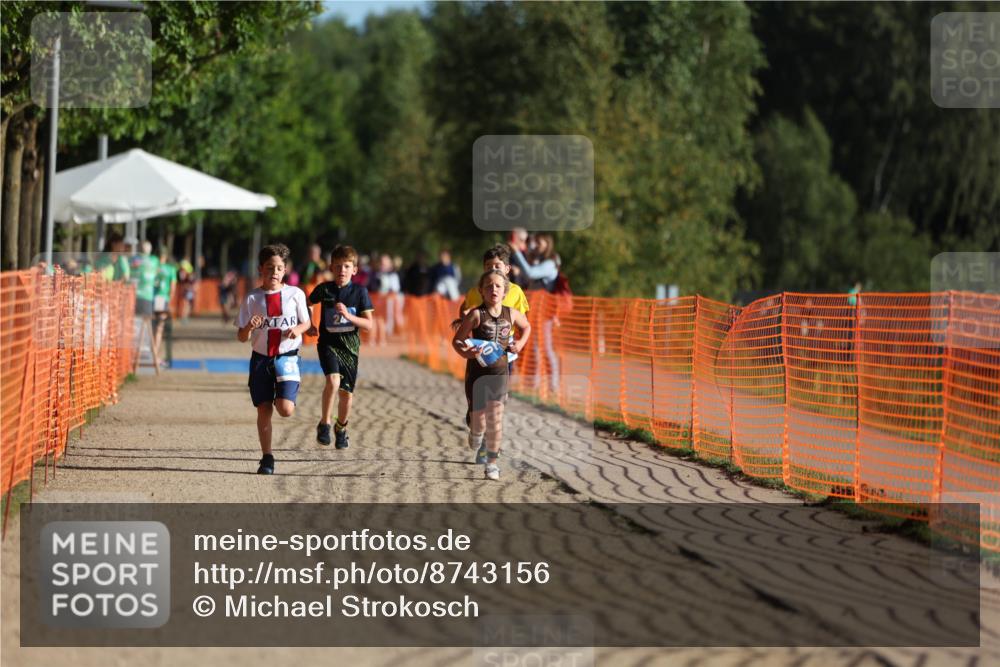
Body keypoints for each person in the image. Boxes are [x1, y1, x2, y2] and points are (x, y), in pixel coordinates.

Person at [236, 244, 312, 475]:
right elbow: (241, 336)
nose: (275, 272)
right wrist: (250, 325)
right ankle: (267, 457)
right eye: (270, 268)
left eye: (279, 268)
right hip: (261, 359)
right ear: (260, 269)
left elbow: (307, 322)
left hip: (287, 357)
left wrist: (298, 330)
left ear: (285, 269)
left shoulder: (295, 294)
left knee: (286, 409)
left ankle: (287, 392)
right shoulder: (252, 298)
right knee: (264, 409)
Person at [452, 270, 531, 481]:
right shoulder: (476, 315)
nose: (493, 289)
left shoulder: (512, 314)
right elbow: (457, 340)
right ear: (481, 291)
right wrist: (466, 352)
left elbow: (527, 327)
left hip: (500, 374)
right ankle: (475, 434)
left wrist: (520, 344)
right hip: (477, 375)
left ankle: (492, 464)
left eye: (497, 286)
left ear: (505, 291)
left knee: (496, 419)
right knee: (479, 421)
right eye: (488, 286)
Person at [307, 245, 374, 449]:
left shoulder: (360, 292)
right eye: (338, 266)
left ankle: (341, 428)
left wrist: (348, 316)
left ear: (354, 270)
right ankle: (325, 424)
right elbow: (307, 302)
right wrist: (309, 322)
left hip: (350, 349)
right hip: (328, 344)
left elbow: (369, 324)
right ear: (331, 268)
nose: (342, 270)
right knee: (333, 382)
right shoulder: (324, 289)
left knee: (346, 394)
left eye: (346, 266)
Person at [510, 233, 564, 396]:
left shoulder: (550, 263)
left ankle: (553, 387)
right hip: (534, 309)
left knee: (545, 348)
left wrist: (517, 253)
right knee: (533, 348)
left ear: (547, 244)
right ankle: (533, 385)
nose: (536, 246)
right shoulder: (538, 259)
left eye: (539, 243)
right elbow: (528, 277)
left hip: (545, 311)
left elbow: (532, 273)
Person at [152, 249, 177, 366]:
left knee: (151, 327)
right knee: (160, 328)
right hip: (163, 299)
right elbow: (172, 288)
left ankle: (153, 354)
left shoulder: (153, 267)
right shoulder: (171, 269)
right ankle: (155, 355)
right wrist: (170, 302)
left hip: (151, 298)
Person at [372, 253, 401, 346]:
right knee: (374, 319)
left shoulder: (392, 275)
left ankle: (382, 339)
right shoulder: (376, 273)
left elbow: (395, 289)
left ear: (389, 264)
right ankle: (373, 338)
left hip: (387, 301)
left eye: (385, 263)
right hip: (376, 300)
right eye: (381, 263)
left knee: (383, 321)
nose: (382, 265)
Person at [133, 241, 159, 318]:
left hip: (135, 295)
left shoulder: (135, 260)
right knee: (147, 321)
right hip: (147, 295)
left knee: (135, 321)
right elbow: (157, 272)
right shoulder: (154, 260)